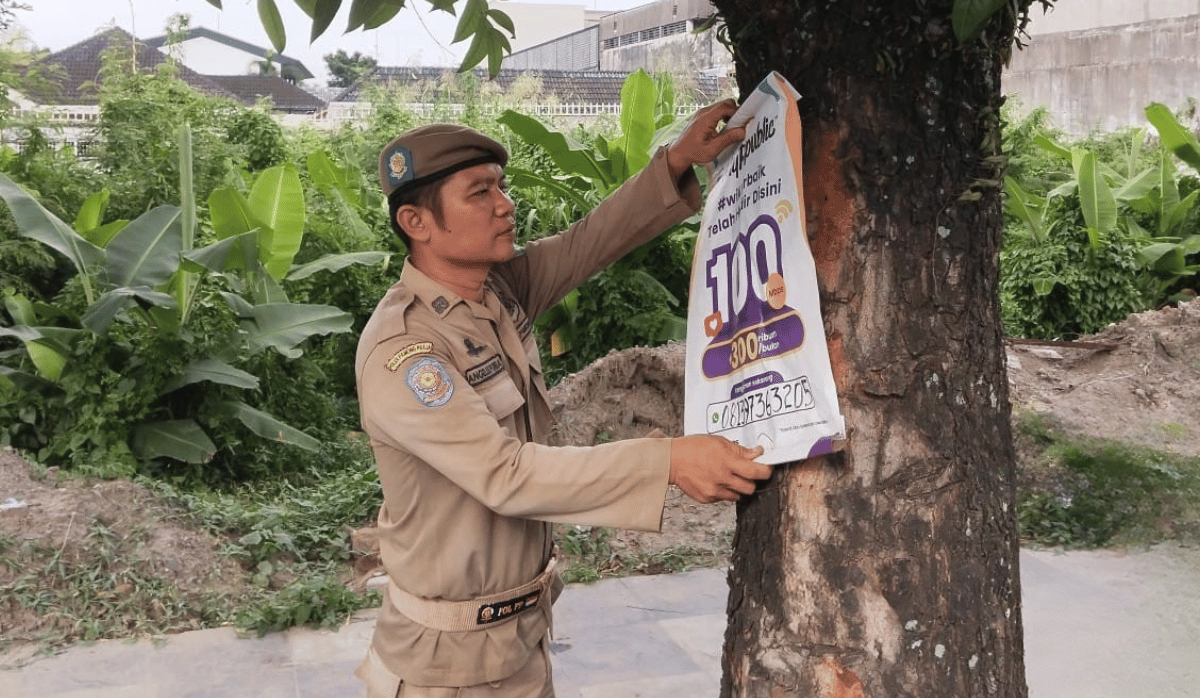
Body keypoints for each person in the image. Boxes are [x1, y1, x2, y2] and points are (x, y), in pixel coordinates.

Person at [354, 99, 771, 698]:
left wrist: (677, 159)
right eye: (479, 193)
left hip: (522, 645)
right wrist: (669, 460)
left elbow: (588, 243)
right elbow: (505, 475)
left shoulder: (497, 290)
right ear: (417, 223)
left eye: (501, 186)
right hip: (446, 672)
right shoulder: (407, 350)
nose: (505, 204)